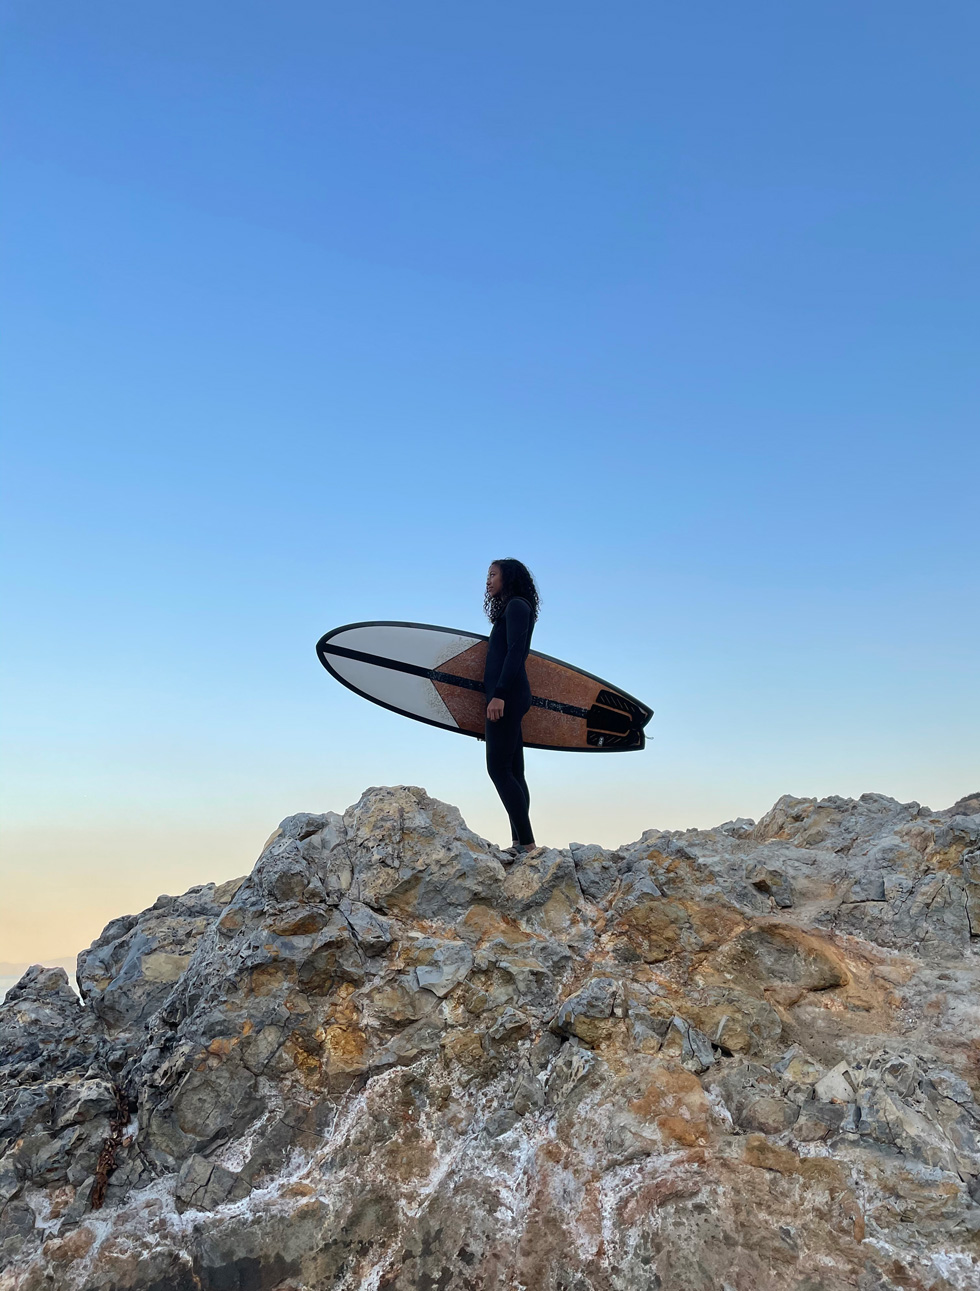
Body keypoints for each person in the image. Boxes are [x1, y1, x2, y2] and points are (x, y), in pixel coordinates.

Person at [483, 558, 540, 853]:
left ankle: (527, 844)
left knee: (498, 770)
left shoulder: (517, 606)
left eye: (493, 574)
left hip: (508, 695)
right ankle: (520, 842)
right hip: (508, 695)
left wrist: (500, 694)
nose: (488, 580)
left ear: (509, 577)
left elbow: (516, 654)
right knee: (514, 771)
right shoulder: (512, 608)